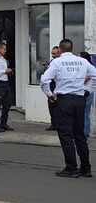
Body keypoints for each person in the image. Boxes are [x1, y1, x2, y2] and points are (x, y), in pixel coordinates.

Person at [41, 39, 96, 178]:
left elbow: (44, 80)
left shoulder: (57, 62)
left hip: (64, 100)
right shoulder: (82, 61)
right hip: (79, 99)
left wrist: (49, 94)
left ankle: (71, 168)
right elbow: (95, 75)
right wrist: (89, 90)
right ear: (72, 48)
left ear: (60, 49)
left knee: (66, 135)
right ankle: (86, 167)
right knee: (80, 135)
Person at [44, 46, 61, 131]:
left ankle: (58, 124)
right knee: (51, 105)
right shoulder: (52, 62)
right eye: (52, 53)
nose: (53, 55)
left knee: (58, 106)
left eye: (55, 53)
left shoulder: (59, 62)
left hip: (57, 85)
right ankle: (53, 123)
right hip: (51, 85)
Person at [79, 51, 94, 142]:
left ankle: (85, 136)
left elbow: (82, 81)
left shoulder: (89, 69)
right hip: (81, 92)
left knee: (85, 115)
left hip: (87, 93)